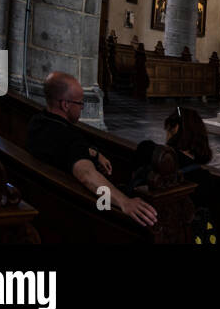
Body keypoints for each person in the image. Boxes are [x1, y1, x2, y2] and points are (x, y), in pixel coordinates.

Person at [26, 72, 157, 227]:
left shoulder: (38, 121)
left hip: (41, 196)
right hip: (77, 212)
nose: (82, 108)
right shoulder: (70, 138)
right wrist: (125, 202)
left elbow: (60, 149)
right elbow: (86, 175)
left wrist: (92, 152)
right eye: (80, 103)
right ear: (65, 105)